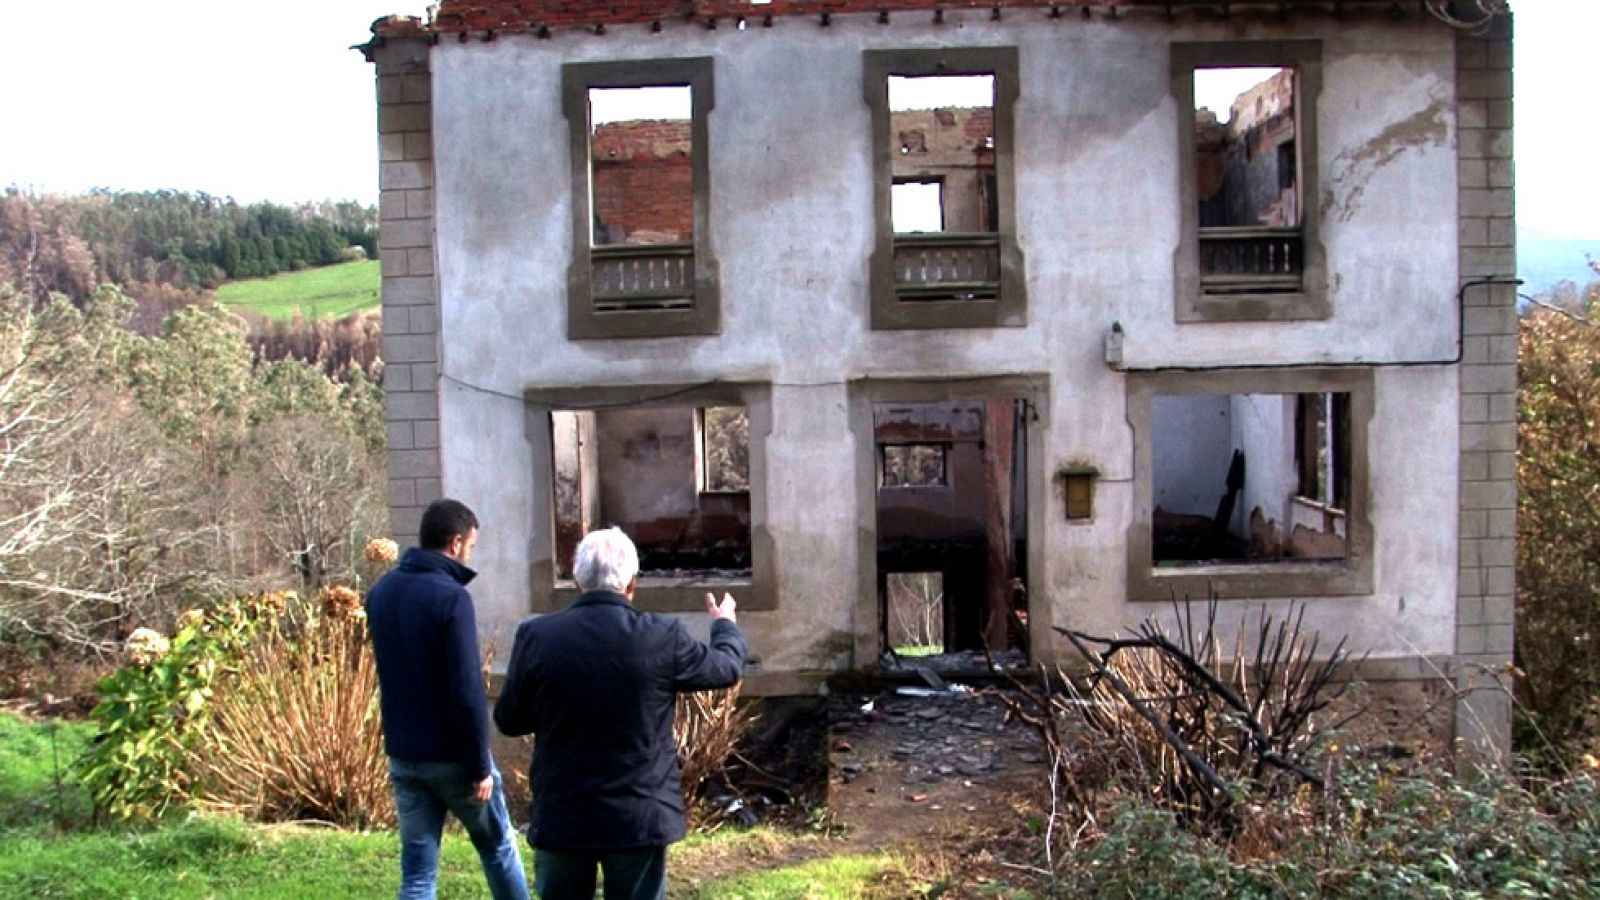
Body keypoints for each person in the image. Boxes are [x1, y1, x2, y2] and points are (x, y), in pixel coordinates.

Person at [494, 527, 747, 900]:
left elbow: (509, 719)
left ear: (578, 580)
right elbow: (725, 668)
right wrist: (724, 624)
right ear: (631, 583)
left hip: (564, 811)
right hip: (639, 815)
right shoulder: (662, 636)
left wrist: (554, 709)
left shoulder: (537, 636)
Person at [367, 498, 530, 900]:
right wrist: (480, 767)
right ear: (456, 543)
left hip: (405, 754)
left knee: (418, 874)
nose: (469, 553)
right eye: (471, 546)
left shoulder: (381, 593)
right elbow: (466, 690)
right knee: (498, 847)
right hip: (453, 756)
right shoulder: (451, 597)